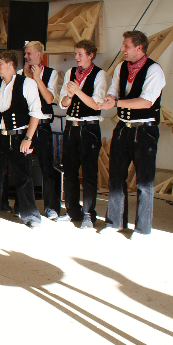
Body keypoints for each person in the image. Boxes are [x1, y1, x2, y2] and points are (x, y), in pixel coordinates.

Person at [100, 30, 165, 237]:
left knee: (144, 181)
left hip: (145, 130)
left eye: (126, 46)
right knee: (116, 177)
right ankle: (114, 223)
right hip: (123, 128)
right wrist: (110, 98)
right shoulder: (121, 67)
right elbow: (114, 89)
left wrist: (116, 103)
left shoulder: (154, 70)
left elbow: (146, 102)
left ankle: (142, 229)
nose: (122, 49)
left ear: (139, 47)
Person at [0, 51, 43, 228]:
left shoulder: (27, 83)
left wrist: (28, 138)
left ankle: (30, 215)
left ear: (10, 64)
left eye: (0, 63)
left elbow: (36, 113)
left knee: (24, 177)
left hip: (18, 137)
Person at [58, 39, 107, 228]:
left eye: (80, 54)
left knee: (89, 172)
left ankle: (88, 214)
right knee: (69, 171)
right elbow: (63, 103)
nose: (76, 57)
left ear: (90, 55)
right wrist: (69, 96)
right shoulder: (71, 73)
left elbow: (96, 104)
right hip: (71, 126)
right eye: (75, 53)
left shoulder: (99, 74)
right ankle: (72, 210)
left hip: (89, 127)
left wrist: (77, 91)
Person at [21, 41, 61, 219]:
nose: (26, 57)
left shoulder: (51, 73)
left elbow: (49, 99)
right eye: (25, 54)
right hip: (25, 125)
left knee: (47, 167)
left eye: (29, 53)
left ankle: (51, 207)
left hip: (43, 125)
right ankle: (23, 205)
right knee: (22, 168)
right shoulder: (19, 74)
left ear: (39, 54)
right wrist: (26, 75)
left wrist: (37, 78)